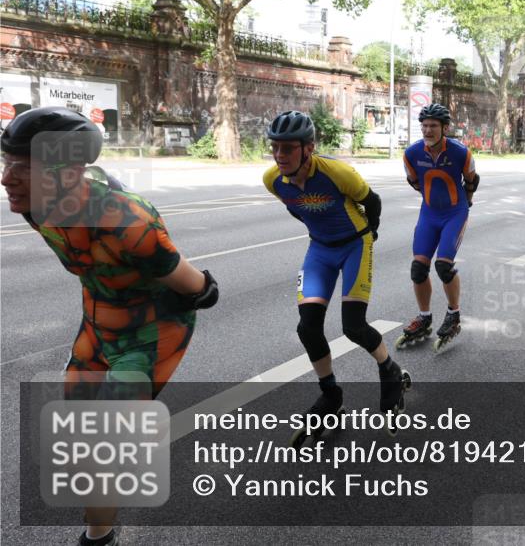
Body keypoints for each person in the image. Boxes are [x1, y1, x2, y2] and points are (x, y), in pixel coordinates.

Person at [1, 107, 219, 546]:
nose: (7, 179)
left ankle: (97, 538)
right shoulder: (34, 207)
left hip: (152, 331)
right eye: (7, 164)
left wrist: (205, 289)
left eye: (24, 168)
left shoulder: (128, 222)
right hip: (98, 325)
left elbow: (198, 287)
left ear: (71, 172)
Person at [262, 110, 408, 439]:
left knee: (353, 326)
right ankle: (331, 395)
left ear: (308, 148)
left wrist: (371, 235)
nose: (279, 155)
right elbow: (296, 208)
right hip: (321, 249)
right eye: (275, 147)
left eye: (288, 148)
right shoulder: (272, 180)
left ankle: (389, 369)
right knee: (308, 327)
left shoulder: (337, 172)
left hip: (356, 244)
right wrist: (321, 231)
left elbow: (373, 203)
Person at [396, 103, 479, 353]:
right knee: (418, 268)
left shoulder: (460, 152)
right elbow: (414, 182)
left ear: (445, 128)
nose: (428, 130)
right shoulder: (411, 154)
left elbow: (472, 179)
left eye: (433, 126)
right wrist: (432, 199)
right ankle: (424, 317)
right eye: (424, 125)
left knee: (443, 265)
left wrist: (467, 200)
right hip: (429, 214)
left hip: (455, 213)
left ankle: (453, 315)